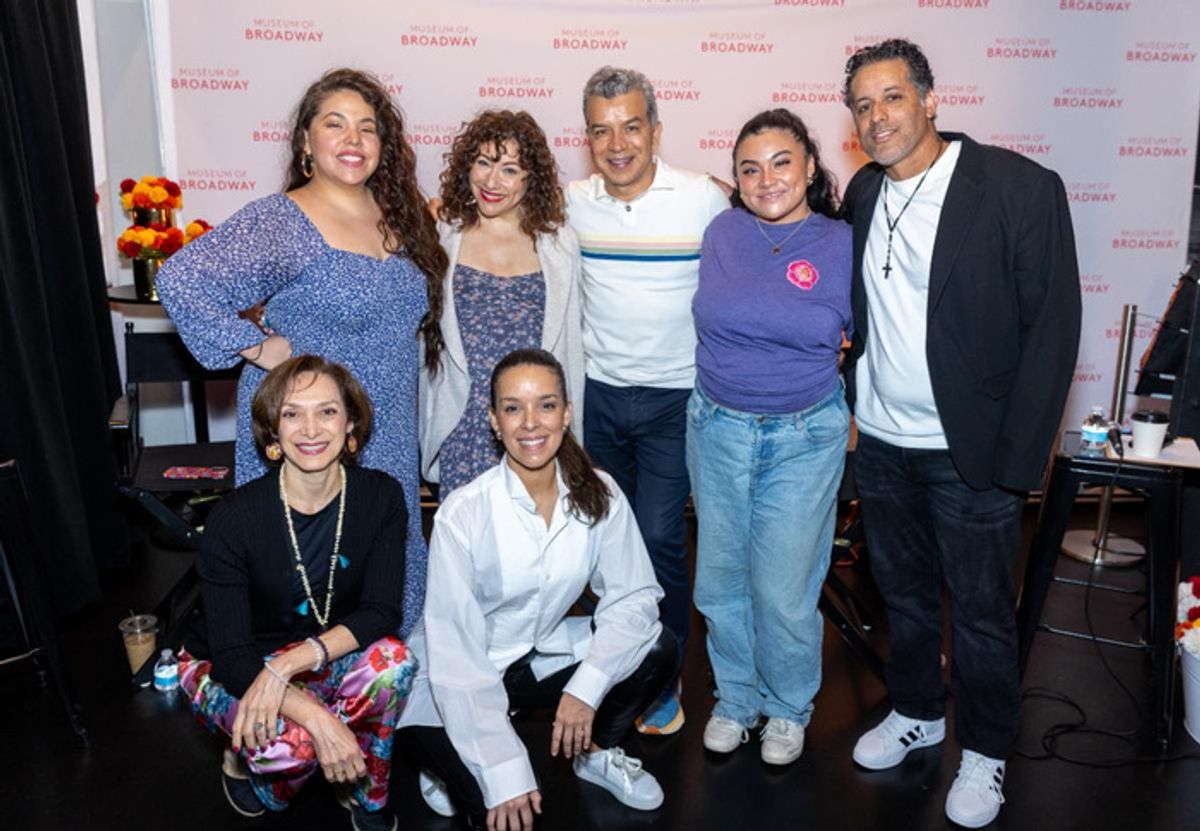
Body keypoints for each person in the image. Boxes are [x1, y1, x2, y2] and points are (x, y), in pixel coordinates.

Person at [840, 39, 1081, 828]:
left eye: (893, 98)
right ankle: (918, 709)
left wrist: (1019, 463)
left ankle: (985, 749)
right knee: (904, 598)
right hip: (879, 442)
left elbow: (1052, 329)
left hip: (968, 454)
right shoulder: (863, 194)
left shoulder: (1016, 187)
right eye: (863, 105)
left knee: (979, 613)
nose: (877, 118)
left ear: (932, 99)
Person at [157, 68, 448, 636]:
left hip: (383, 434)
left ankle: (378, 692)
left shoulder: (403, 219)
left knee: (383, 583)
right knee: (302, 578)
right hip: (309, 434)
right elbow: (182, 280)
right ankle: (296, 696)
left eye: (368, 128)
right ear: (305, 141)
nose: (353, 139)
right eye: (335, 124)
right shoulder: (283, 220)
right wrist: (255, 345)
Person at [398, 348, 677, 829]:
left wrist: (586, 689)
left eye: (546, 405)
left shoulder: (601, 491)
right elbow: (457, 653)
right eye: (513, 407)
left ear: (567, 414)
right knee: (497, 805)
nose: (531, 423)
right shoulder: (463, 513)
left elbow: (634, 597)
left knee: (656, 645)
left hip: (533, 657)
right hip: (451, 678)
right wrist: (506, 767)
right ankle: (446, 762)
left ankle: (595, 752)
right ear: (493, 420)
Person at [177, 355, 417, 831]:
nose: (311, 429)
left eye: (327, 411)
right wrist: (321, 720)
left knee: (396, 662)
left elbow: (382, 610)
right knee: (296, 751)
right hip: (229, 663)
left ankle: (366, 793)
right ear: (272, 435)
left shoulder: (381, 497)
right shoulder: (234, 520)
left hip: (313, 656)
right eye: (292, 413)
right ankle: (244, 762)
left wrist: (289, 664)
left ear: (351, 424)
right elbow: (231, 655)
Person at [566, 66, 728, 734]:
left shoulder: (703, 199)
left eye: (632, 125)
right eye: (602, 130)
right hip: (597, 396)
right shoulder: (571, 202)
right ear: (587, 139)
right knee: (604, 545)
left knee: (660, 537)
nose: (618, 142)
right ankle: (616, 667)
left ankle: (664, 679)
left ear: (656, 130)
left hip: (674, 400)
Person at [688, 109, 852, 766]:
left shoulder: (844, 241)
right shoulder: (721, 232)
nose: (766, 178)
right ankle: (736, 697)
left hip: (803, 433)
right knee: (720, 580)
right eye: (749, 168)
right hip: (717, 427)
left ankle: (787, 706)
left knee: (783, 588)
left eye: (782, 161)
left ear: (810, 166)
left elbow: (873, 334)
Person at [419, 109, 584, 496]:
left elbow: (571, 348)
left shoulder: (558, 242)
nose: (492, 182)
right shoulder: (442, 232)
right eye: (483, 163)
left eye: (510, 169)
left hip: (534, 428)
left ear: (532, 178)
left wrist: (571, 433)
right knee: (466, 546)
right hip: (465, 424)